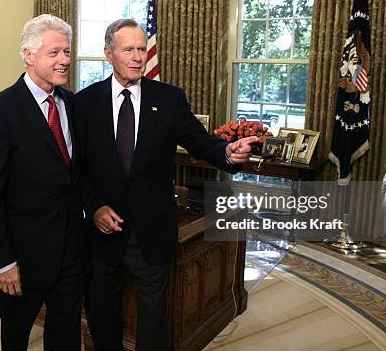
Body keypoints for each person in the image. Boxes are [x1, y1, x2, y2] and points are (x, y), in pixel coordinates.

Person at [74, 18, 254, 351]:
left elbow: (201, 143)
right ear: (108, 53)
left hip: (151, 232)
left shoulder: (169, 99)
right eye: (128, 48)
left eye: (142, 48)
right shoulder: (84, 103)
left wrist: (227, 152)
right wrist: (95, 206)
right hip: (101, 234)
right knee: (102, 315)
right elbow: (78, 170)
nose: (137, 56)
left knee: (154, 320)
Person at [0, 14, 84, 350]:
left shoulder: (71, 104)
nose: (64, 60)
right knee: (17, 338)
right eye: (54, 53)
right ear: (28, 54)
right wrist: (3, 261)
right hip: (21, 257)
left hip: (71, 252)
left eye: (67, 52)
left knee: (65, 336)